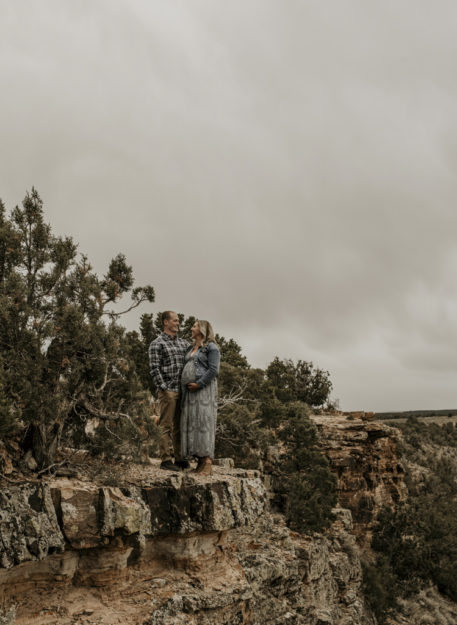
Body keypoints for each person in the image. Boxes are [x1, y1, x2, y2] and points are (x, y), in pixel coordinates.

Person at [149, 311, 190, 471]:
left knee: (180, 426)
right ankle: (166, 460)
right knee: (165, 426)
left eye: (178, 321)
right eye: (175, 320)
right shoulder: (157, 343)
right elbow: (154, 368)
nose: (178, 323)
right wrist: (163, 387)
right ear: (166, 322)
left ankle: (180, 458)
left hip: (183, 391)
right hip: (168, 390)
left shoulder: (184, 344)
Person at [180, 319, 220, 476]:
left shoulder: (212, 347)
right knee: (193, 422)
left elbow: (214, 370)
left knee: (204, 421)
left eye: (195, 326)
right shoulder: (191, 347)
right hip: (189, 393)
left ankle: (207, 462)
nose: (191, 328)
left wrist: (199, 383)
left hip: (203, 391)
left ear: (202, 329)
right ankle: (200, 461)